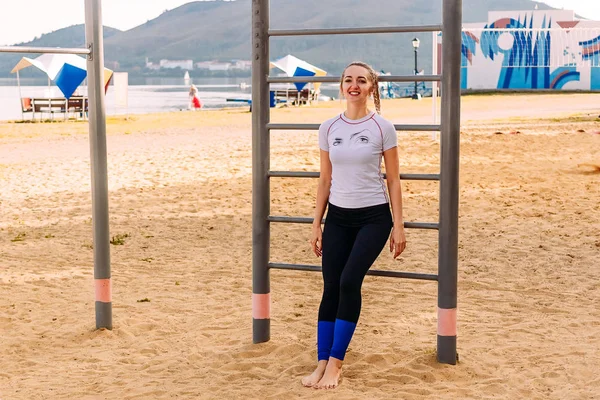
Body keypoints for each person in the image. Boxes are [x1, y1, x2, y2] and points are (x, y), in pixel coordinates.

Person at [302, 61, 407, 389]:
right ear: (342, 85)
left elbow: (393, 179)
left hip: (373, 218)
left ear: (371, 87)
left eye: (361, 80)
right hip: (338, 217)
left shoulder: (382, 127)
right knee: (330, 286)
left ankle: (336, 364)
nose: (354, 85)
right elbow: (324, 179)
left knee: (348, 282)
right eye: (348, 80)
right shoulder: (328, 128)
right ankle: (321, 362)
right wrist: (316, 223)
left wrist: (399, 225)